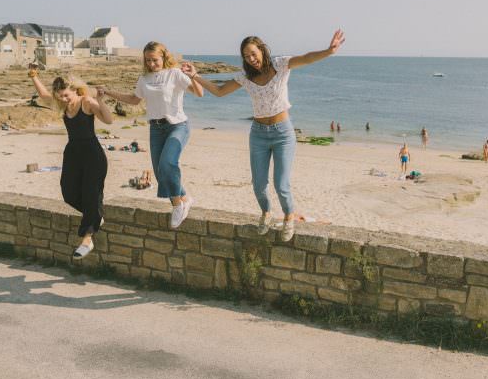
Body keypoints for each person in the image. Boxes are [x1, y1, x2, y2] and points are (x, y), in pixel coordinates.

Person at [183, 29, 345, 242]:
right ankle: (266, 213)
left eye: (253, 53)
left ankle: (289, 217)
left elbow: (306, 58)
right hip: (258, 134)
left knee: (281, 184)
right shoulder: (245, 77)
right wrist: (195, 76)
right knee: (259, 184)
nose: (251, 59)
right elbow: (220, 91)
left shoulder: (280, 65)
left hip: (283, 133)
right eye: (246, 56)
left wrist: (328, 51)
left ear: (261, 49)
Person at [98, 41, 204, 229]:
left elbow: (199, 93)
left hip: (178, 126)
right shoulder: (144, 79)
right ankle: (185, 198)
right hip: (156, 129)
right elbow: (133, 99)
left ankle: (178, 205)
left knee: (167, 163)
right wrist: (108, 92)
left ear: (163, 57)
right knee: (159, 172)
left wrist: (194, 75)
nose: (151, 64)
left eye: (154, 60)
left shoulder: (175, 74)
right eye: (148, 60)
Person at [28, 64, 113, 258]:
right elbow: (43, 96)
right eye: (60, 97)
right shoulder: (63, 104)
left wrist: (100, 100)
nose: (64, 100)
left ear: (74, 89)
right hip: (73, 152)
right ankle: (95, 216)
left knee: (91, 194)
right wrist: (33, 75)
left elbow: (108, 120)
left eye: (66, 95)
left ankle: (87, 239)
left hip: (92, 153)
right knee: (68, 192)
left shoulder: (86, 101)